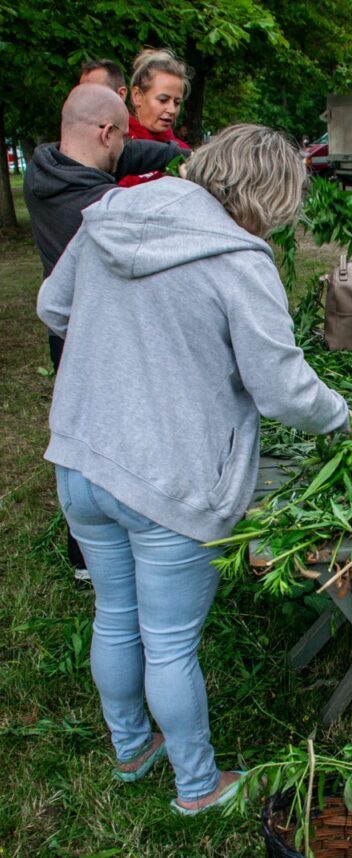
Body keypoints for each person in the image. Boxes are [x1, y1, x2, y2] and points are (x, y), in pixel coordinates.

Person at [36, 124, 352, 815]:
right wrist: (340, 417)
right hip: (167, 477)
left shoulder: (111, 214)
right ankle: (197, 785)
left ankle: (130, 748)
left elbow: (52, 307)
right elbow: (281, 389)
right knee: (171, 645)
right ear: (270, 197)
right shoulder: (240, 257)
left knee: (114, 616)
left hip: (83, 457)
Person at [24, 84, 188, 582]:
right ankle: (99, 556)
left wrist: (183, 154)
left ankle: (91, 553)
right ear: (105, 132)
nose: (123, 150)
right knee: (108, 443)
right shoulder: (99, 204)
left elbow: (131, 151)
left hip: (68, 329)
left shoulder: (46, 167)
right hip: (103, 332)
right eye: (118, 139)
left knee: (79, 433)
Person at [123, 48, 191, 185]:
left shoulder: (184, 153)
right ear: (137, 96)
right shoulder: (114, 144)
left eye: (177, 103)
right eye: (163, 100)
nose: (172, 110)